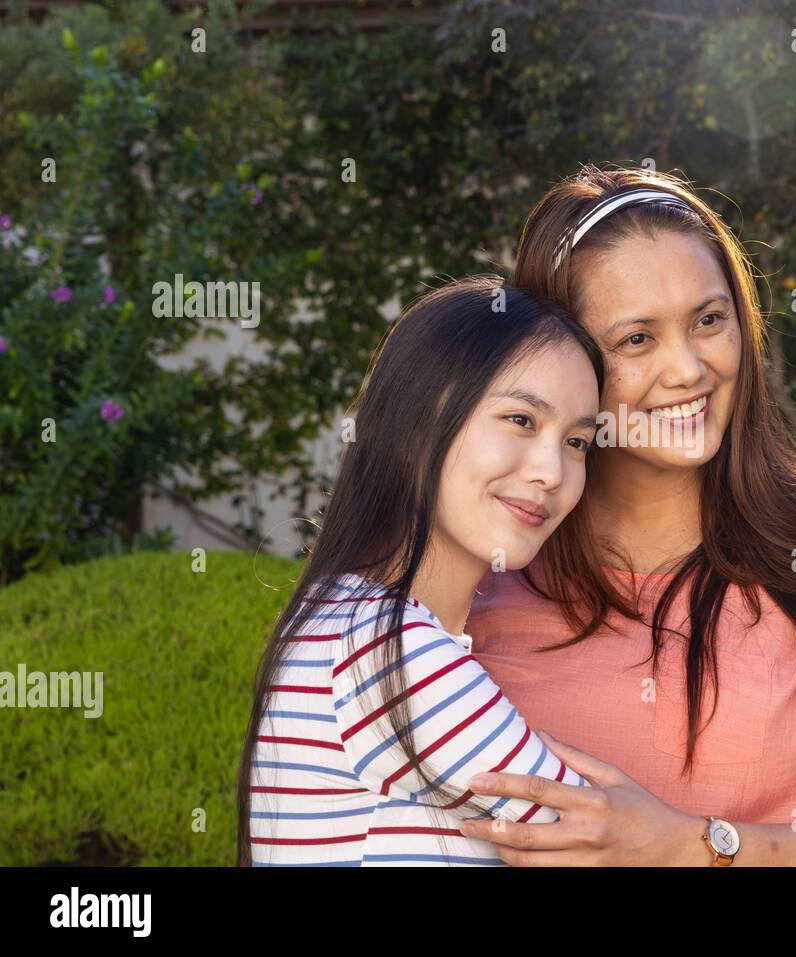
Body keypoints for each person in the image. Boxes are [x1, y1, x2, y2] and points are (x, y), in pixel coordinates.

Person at [460, 167, 796, 865]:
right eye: (637, 339)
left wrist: (690, 848)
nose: (689, 368)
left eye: (709, 320)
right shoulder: (492, 561)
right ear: (560, 358)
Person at [235, 276, 603, 865]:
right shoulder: (392, 654)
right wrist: (718, 844)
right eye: (520, 420)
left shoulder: (337, 617)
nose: (551, 471)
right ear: (416, 423)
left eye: (578, 442)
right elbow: (605, 848)